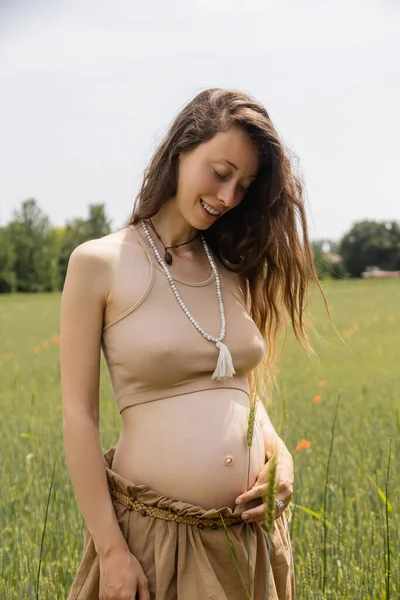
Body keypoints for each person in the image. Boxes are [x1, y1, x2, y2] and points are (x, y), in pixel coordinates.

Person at [61, 88, 323, 600]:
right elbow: (79, 416)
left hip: (248, 540)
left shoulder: (232, 267)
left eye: (244, 186)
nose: (228, 197)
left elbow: (240, 392)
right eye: (220, 172)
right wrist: (112, 550)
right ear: (182, 150)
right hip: (158, 542)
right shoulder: (99, 263)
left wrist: (282, 458)